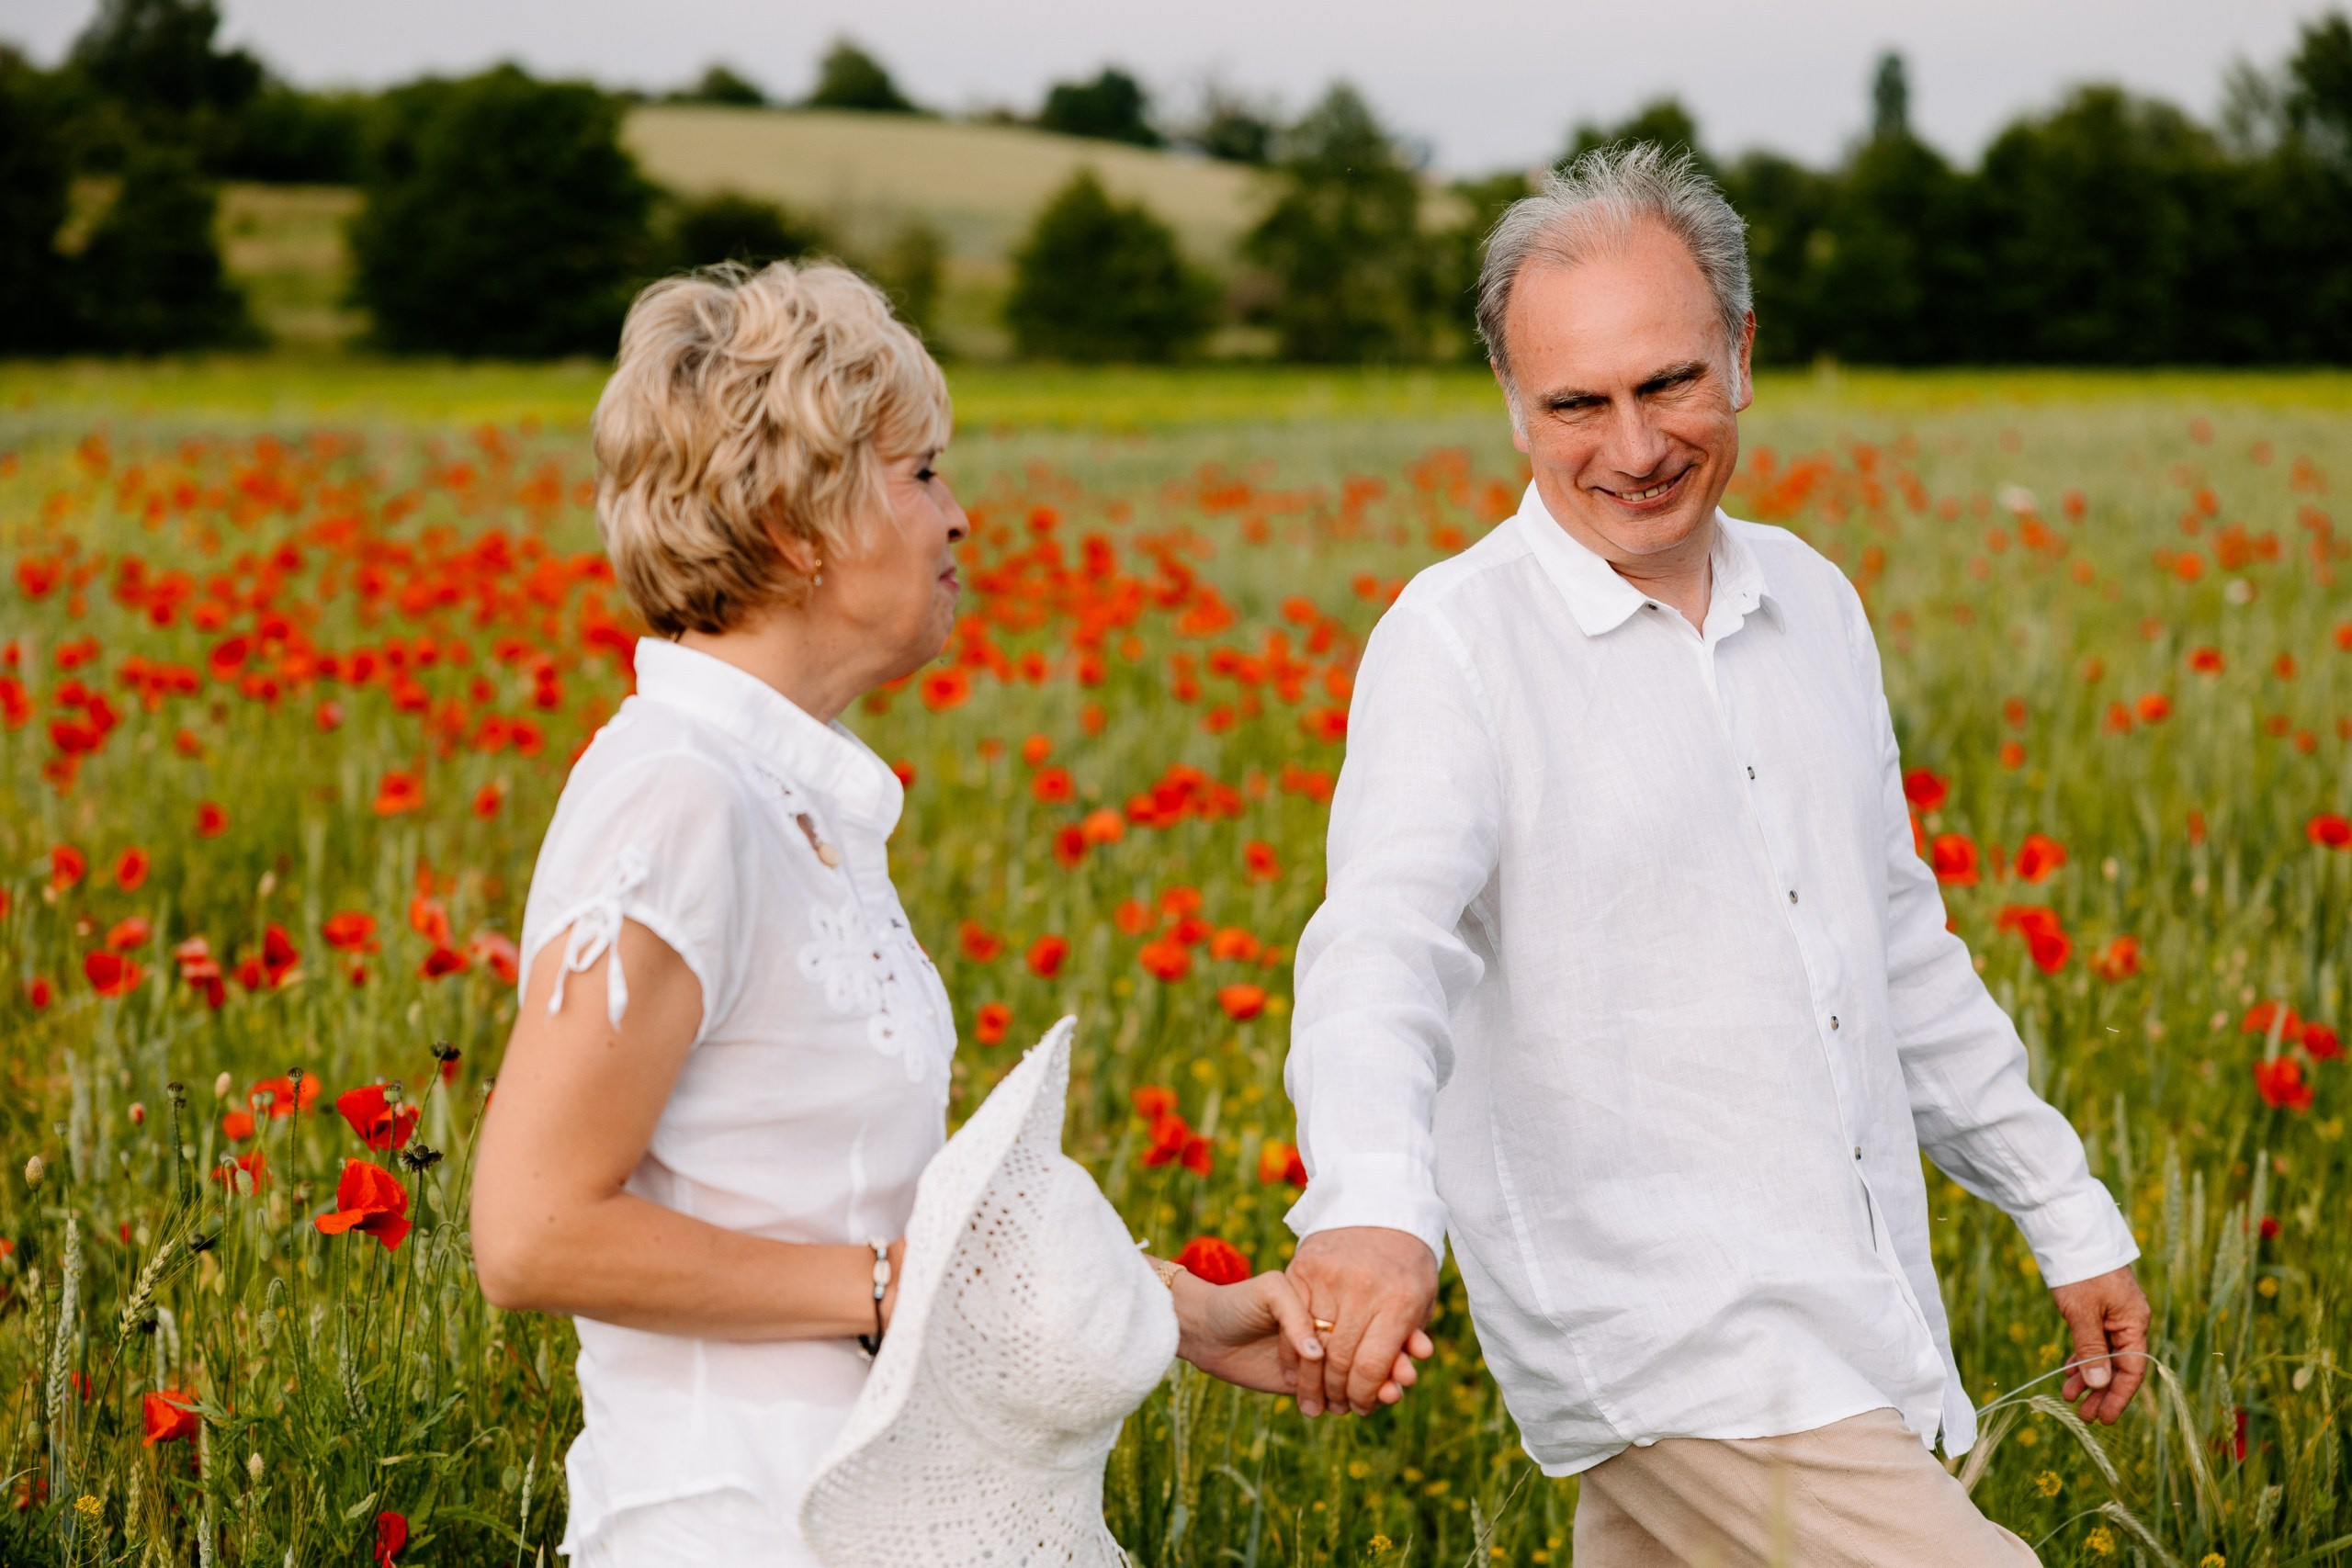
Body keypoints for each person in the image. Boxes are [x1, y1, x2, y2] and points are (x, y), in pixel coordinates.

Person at [1277, 144, 2150, 1567]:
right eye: (1577, 403)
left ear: (1740, 353)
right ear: (1514, 406)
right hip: (1673, 1338)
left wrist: (2061, 1204)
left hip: (1845, 1308)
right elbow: (1382, 945)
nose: (1632, 448)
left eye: (1667, 383)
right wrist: (1370, 1206)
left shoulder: (1814, 602)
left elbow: (1893, 944)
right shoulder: (1457, 644)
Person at [468, 261, 1408, 1568]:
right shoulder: (679, 799)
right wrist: (877, 1291)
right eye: (920, 475)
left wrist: (1177, 1315)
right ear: (799, 523)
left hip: (869, 1515)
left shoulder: (793, 800)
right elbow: (531, 1231)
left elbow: (834, 1199)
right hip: (738, 1522)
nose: (958, 518)